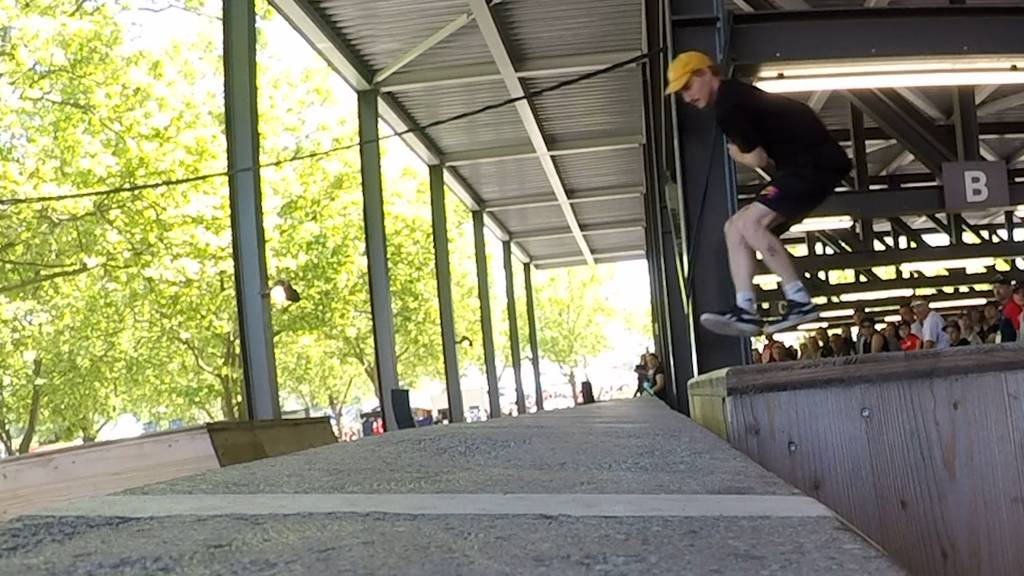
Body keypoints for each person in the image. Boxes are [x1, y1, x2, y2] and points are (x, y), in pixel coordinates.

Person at [665, 51, 851, 337]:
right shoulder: (734, 97)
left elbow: (758, 159)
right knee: (734, 227)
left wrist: (738, 154)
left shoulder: (728, 107)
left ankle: (798, 298)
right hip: (803, 166)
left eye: (688, 87)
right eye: (681, 94)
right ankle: (745, 308)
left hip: (813, 166)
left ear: (705, 73)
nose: (687, 98)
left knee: (750, 224)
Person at [994, 275, 1020, 342]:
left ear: (1010, 288)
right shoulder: (1003, 309)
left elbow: (1019, 332)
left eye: (1000, 287)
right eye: (994, 288)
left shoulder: (1014, 307)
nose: (997, 291)